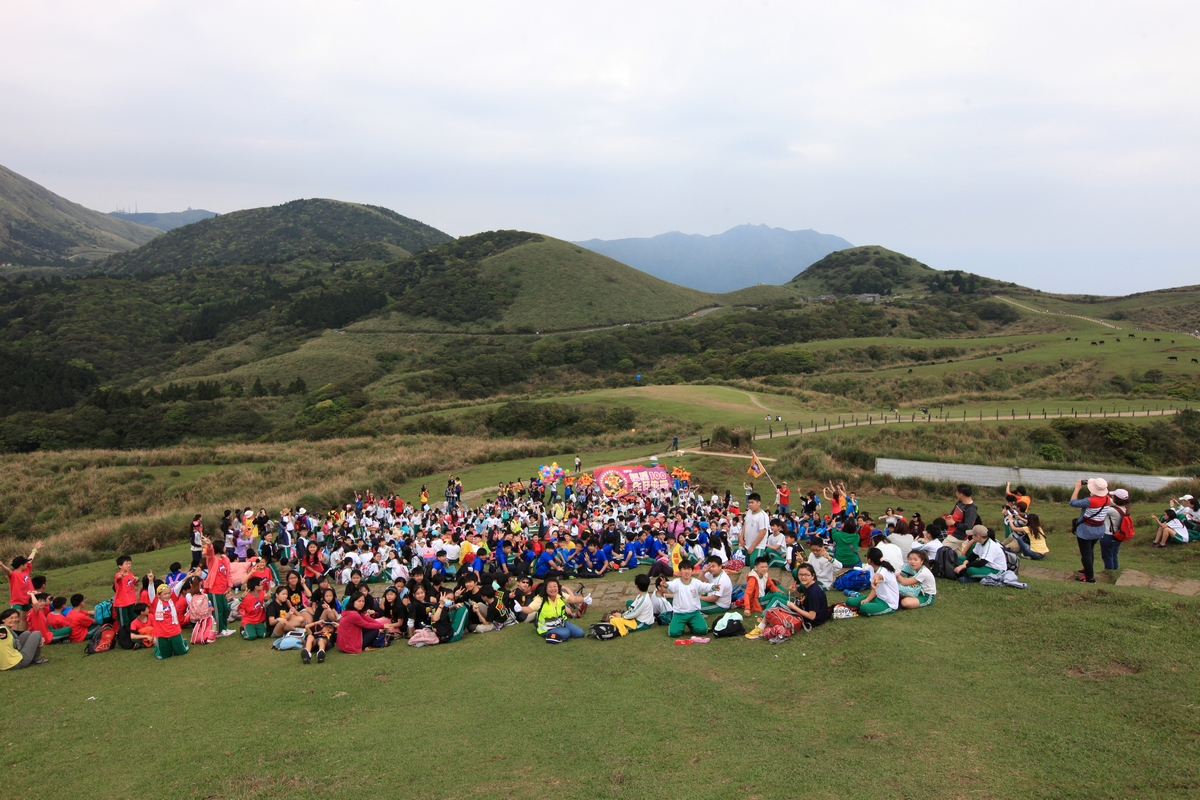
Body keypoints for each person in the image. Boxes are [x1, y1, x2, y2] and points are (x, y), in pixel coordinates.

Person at [657, 561, 712, 638]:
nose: (687, 571)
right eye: (684, 569)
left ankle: (691, 625)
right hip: (679, 613)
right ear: (680, 571)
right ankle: (680, 626)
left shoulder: (695, 582)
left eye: (689, 569)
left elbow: (704, 586)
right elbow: (670, 586)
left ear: (692, 571)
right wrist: (666, 584)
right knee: (673, 633)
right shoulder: (676, 582)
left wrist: (713, 587)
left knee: (702, 630)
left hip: (694, 613)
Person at [1070, 478, 1110, 583]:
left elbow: (1073, 502)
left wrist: (1077, 488)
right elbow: (1098, 499)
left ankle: (1089, 577)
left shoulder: (1089, 501)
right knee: (1090, 550)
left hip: (1086, 531)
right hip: (1099, 529)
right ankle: (1088, 569)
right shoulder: (1108, 499)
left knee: (1086, 554)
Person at [844, 548, 900, 617]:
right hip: (877, 597)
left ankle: (872, 607)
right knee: (849, 602)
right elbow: (875, 590)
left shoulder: (884, 570)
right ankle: (869, 604)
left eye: (866, 556)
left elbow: (879, 576)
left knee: (864, 608)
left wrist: (876, 579)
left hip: (888, 603)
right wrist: (867, 599)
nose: (865, 557)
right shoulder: (872, 569)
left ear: (869, 560)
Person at [3, 541, 42, 630]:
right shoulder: (13, 575)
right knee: (14, 618)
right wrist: (1, 565)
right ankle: (14, 634)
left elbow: (30, 559)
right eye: (25, 563)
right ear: (21, 565)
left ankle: (24, 633)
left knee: (25, 618)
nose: (27, 564)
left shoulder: (25, 571)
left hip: (27, 599)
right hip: (17, 601)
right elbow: (8, 571)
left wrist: (35, 549)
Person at [201, 537, 235, 635]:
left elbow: (228, 574)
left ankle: (224, 628)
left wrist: (229, 586)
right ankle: (218, 631)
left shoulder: (226, 559)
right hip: (215, 590)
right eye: (223, 546)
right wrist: (209, 545)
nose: (225, 547)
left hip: (223, 589)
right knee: (217, 611)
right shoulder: (212, 560)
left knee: (225, 609)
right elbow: (209, 554)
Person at [535, 578, 587, 643]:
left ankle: (560, 633)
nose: (553, 589)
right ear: (545, 589)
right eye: (550, 587)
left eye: (555, 586)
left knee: (580, 633)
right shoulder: (540, 599)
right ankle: (551, 636)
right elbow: (528, 609)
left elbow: (574, 599)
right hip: (547, 628)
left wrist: (584, 599)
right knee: (566, 632)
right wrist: (520, 608)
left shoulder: (561, 595)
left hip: (561, 623)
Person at [151, 584, 189, 660]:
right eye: (165, 594)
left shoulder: (172, 600)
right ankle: (158, 647)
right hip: (162, 632)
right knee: (165, 655)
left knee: (181, 652)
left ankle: (182, 642)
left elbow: (177, 587)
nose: (167, 595)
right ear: (158, 595)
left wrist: (186, 578)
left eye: (169, 593)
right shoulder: (155, 603)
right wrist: (151, 582)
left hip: (174, 630)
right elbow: (151, 593)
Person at [1101, 489, 1131, 570]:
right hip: (1118, 535)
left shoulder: (1111, 510)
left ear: (1116, 499)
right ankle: (1115, 572)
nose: (1112, 497)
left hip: (1108, 536)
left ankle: (1109, 574)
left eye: (1113, 496)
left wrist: (1096, 495)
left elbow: (1100, 507)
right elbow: (1110, 501)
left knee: (1107, 556)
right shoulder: (1125, 509)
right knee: (1114, 555)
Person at [112, 555, 139, 634]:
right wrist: (121, 576)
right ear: (120, 566)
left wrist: (136, 579)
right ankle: (124, 637)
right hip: (122, 603)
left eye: (130, 563)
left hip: (131, 601)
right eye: (126, 564)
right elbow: (118, 578)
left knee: (133, 619)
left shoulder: (130, 574)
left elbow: (135, 584)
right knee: (124, 622)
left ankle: (133, 635)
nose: (129, 565)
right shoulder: (118, 575)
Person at [741, 493, 770, 563]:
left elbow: (762, 533)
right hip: (748, 544)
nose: (750, 504)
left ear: (759, 503)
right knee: (750, 566)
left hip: (758, 546)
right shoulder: (749, 512)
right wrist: (741, 538)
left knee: (756, 567)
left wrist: (752, 547)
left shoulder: (763, 516)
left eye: (752, 502)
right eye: (749, 502)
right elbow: (745, 524)